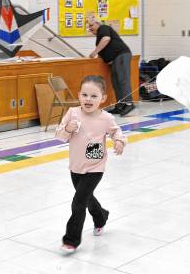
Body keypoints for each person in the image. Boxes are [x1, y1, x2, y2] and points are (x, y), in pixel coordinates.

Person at [55, 75, 126, 253]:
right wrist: (67, 129)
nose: (88, 99)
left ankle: (71, 240)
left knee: (78, 202)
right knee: (86, 198)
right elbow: (60, 136)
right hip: (76, 167)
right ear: (79, 95)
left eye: (94, 96)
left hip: (95, 167)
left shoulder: (106, 118)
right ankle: (101, 216)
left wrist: (119, 142)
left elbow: (116, 132)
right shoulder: (72, 113)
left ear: (103, 98)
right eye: (85, 95)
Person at [87, 16, 135, 116]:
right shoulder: (99, 35)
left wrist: (95, 52)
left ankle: (129, 103)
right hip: (113, 61)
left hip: (120, 55)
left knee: (123, 80)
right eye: (89, 27)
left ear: (98, 24)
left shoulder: (103, 28)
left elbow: (106, 39)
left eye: (91, 25)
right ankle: (120, 105)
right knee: (116, 83)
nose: (90, 28)